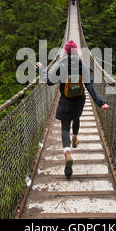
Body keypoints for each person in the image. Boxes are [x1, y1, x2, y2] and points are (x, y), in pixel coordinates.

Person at [36, 40, 109, 177]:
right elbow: (90, 86)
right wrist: (101, 102)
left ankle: (67, 152)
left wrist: (41, 68)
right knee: (76, 117)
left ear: (66, 52)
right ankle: (75, 138)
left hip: (65, 101)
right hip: (79, 101)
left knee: (64, 127)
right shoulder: (82, 65)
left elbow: (49, 81)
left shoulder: (61, 64)